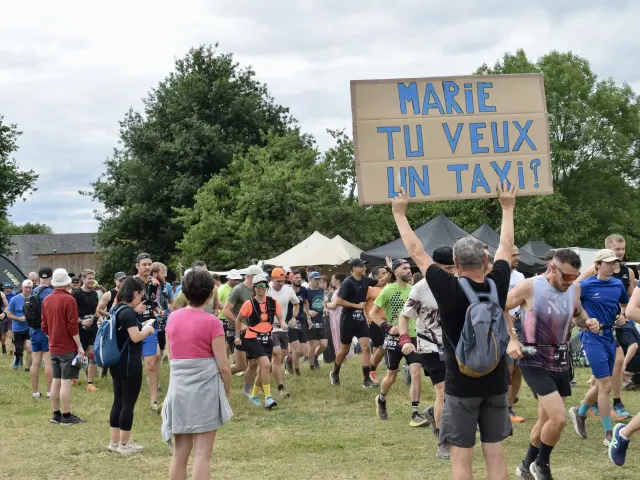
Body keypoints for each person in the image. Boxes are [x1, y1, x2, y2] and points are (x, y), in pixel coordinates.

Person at [392, 182, 516, 480]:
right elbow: (506, 246)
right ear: (485, 262)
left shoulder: (446, 287)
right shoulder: (498, 282)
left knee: (461, 463)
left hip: (460, 384)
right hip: (497, 381)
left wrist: (399, 213)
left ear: (455, 263)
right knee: (496, 458)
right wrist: (507, 207)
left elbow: (416, 251)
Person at [507, 249, 598, 479]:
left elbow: (577, 313)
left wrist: (588, 321)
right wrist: (511, 339)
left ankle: (526, 466)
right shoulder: (530, 286)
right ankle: (541, 465)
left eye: (574, 276)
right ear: (552, 268)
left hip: (561, 359)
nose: (570, 281)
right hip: (534, 358)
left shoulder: (573, 288)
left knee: (546, 421)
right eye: (566, 276)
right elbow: (500, 307)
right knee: (559, 418)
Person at [163, 269, 232, 480]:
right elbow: (224, 366)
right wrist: (227, 390)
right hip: (205, 391)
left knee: (179, 453)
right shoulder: (212, 322)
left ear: (184, 292)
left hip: (179, 389)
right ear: (210, 294)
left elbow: (172, 355)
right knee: (203, 454)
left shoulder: (173, 318)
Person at [569, 249, 630, 447]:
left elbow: (624, 305)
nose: (613, 266)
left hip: (610, 337)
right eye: (608, 263)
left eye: (614, 262)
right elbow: (574, 308)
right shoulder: (585, 285)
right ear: (597, 265)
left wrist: (623, 316)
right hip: (592, 337)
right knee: (605, 385)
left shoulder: (617, 284)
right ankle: (608, 433)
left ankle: (580, 413)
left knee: (601, 384)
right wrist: (584, 321)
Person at [400, 246, 456, 459]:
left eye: (454, 267)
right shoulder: (420, 289)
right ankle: (443, 440)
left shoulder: (458, 283)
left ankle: (433, 413)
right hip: (430, 346)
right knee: (443, 391)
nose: (452, 272)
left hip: (454, 345)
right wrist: (405, 340)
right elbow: (404, 316)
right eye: (447, 268)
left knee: (454, 392)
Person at [576, 234, 636, 421]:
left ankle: (596, 405)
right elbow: (574, 292)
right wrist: (583, 319)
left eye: (622, 249)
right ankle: (607, 408)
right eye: (617, 249)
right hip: (594, 330)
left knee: (614, 368)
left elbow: (629, 299)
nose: (620, 253)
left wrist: (624, 314)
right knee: (605, 376)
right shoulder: (591, 274)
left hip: (614, 326)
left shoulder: (626, 273)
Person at [371, 258, 427, 427]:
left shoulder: (414, 289)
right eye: (404, 268)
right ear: (395, 272)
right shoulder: (388, 290)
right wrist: (387, 327)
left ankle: (415, 414)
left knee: (415, 372)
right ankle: (381, 399)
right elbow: (373, 313)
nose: (409, 271)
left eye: (409, 268)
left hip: (413, 337)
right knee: (391, 377)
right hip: (394, 338)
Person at [107, 277, 155, 454]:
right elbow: (135, 337)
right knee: (128, 404)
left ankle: (115, 441)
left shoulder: (116, 309)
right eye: (140, 295)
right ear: (135, 293)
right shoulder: (129, 313)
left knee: (118, 401)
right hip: (129, 362)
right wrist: (147, 330)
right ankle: (125, 444)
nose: (141, 299)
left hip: (116, 361)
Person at [330, 259, 391, 388]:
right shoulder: (348, 282)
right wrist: (356, 305)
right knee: (344, 350)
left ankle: (366, 379)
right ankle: (335, 372)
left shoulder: (365, 280)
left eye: (364, 265)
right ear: (354, 268)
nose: (364, 268)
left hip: (361, 320)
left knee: (366, 347)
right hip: (347, 319)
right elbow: (339, 301)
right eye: (361, 266)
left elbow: (381, 282)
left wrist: (390, 270)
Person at [41, 268, 85, 425]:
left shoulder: (46, 300)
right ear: (67, 282)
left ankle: (56, 414)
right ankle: (66, 416)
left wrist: (51, 335)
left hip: (53, 345)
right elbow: (72, 326)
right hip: (67, 346)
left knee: (56, 380)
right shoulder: (69, 299)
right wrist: (79, 346)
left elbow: (44, 325)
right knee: (66, 382)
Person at [235, 273, 285, 408]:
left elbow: (280, 317)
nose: (261, 288)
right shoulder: (248, 303)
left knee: (264, 367)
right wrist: (237, 336)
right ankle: (268, 398)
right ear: (254, 288)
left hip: (268, 337)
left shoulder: (272, 302)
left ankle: (253, 396)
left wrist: (283, 322)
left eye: (264, 285)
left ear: (267, 287)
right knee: (266, 365)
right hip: (252, 338)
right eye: (258, 286)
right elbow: (238, 319)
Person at [223, 264, 263, 396]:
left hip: (253, 331)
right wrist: (240, 323)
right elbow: (226, 311)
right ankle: (217, 375)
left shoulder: (258, 289)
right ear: (251, 276)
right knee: (241, 366)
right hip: (236, 331)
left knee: (254, 362)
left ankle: (246, 390)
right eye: (258, 276)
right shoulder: (238, 289)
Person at [133, 253, 163, 413]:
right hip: (132, 326)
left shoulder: (154, 283)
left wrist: (157, 308)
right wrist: (134, 309)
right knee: (132, 366)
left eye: (149, 264)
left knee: (151, 364)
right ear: (137, 266)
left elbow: (153, 301)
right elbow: (117, 307)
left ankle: (154, 402)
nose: (147, 267)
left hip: (150, 326)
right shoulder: (130, 283)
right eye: (144, 264)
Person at [267, 267, 299, 398]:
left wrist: (294, 317)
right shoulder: (266, 289)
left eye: (283, 281)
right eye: (278, 281)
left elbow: (296, 304)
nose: (281, 284)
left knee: (281, 358)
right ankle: (280, 388)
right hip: (269, 328)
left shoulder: (288, 290)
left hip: (283, 327)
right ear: (272, 279)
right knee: (277, 354)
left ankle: (261, 374)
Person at [29, 268, 55, 398]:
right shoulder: (51, 292)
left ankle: (35, 392)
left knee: (35, 363)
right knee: (48, 362)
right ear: (51, 277)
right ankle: (50, 392)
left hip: (33, 330)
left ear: (39, 277)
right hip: (46, 331)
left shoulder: (33, 291)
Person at [72, 269, 100, 390]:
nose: (91, 281)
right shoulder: (76, 294)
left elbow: (95, 311)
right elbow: (71, 313)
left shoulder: (95, 294)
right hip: (80, 329)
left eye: (93, 278)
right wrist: (81, 321)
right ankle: (74, 377)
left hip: (93, 329)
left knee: (93, 354)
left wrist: (99, 317)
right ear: (83, 279)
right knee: (80, 354)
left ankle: (90, 383)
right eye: (89, 278)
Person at [507, 246, 526, 424]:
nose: (517, 258)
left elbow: (524, 301)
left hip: (520, 326)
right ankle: (503, 408)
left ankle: (510, 406)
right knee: (508, 369)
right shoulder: (495, 275)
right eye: (514, 255)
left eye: (518, 255)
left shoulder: (520, 277)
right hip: (503, 326)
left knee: (519, 368)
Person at [8, 279, 33, 371]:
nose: (28, 289)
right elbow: (9, 314)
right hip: (18, 328)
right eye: (26, 287)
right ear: (22, 287)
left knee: (29, 348)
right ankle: (18, 358)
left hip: (30, 328)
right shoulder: (14, 299)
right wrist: (19, 318)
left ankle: (27, 368)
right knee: (19, 349)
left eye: (30, 288)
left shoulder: (34, 299)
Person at [217, 270, 242, 356]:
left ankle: (229, 358)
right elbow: (216, 303)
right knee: (225, 341)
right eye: (234, 279)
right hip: (224, 319)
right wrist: (227, 308)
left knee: (230, 341)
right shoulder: (221, 289)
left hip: (234, 318)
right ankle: (226, 358)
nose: (236, 281)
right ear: (229, 279)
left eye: (237, 279)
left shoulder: (238, 288)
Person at [306, 271, 328, 369]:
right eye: (316, 279)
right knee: (313, 345)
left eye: (319, 279)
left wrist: (324, 307)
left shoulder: (321, 290)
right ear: (310, 280)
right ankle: (312, 366)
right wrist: (309, 311)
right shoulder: (306, 291)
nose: (318, 281)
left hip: (320, 320)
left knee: (324, 344)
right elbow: (301, 306)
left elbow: (322, 301)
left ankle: (314, 357)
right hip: (310, 321)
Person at [326, 274, 347, 357]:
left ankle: (343, 358)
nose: (331, 281)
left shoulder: (340, 291)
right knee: (336, 337)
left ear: (338, 280)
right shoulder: (336, 291)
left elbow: (334, 305)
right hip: (334, 317)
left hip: (339, 316)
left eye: (333, 279)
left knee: (339, 337)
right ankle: (340, 356)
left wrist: (326, 304)